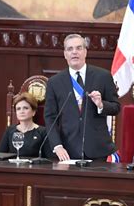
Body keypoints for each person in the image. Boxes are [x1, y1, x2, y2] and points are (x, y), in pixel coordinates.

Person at [44, 33, 120, 161]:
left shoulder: (103, 76)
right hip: (67, 151)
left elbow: (116, 107)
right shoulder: (54, 82)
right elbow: (50, 117)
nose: (74, 52)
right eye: (70, 49)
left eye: (79, 48)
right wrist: (57, 146)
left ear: (85, 52)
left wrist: (101, 105)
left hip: (98, 149)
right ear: (65, 54)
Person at [0, 92, 52, 157]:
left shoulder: (43, 132)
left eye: (25, 108)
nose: (21, 111)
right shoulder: (10, 130)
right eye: (18, 109)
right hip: (12, 166)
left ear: (33, 112)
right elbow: (0, 155)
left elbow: (50, 159)